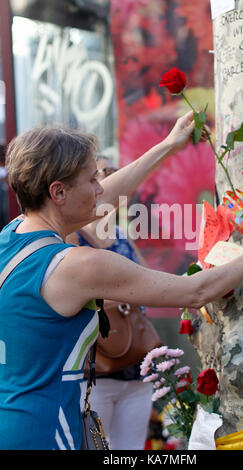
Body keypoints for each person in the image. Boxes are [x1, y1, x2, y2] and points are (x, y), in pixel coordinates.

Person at [0, 111, 243, 450]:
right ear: (57, 192)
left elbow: (99, 201)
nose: (100, 187)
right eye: (91, 180)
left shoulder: (12, 235)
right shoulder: (76, 265)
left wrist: (168, 146)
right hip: (47, 433)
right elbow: (195, 291)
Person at [67, 155, 155, 450]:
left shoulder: (120, 236)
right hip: (96, 371)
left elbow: (150, 284)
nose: (106, 182)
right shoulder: (72, 238)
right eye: (99, 175)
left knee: (129, 451)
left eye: (110, 173)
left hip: (136, 365)